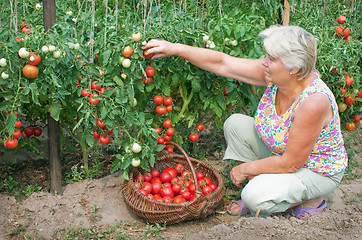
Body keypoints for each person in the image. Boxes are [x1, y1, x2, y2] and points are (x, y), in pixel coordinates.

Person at [142, 25, 348, 218]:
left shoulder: (313, 102)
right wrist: (176, 48)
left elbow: (291, 162)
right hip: (284, 156)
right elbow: (224, 63)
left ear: (294, 68)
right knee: (236, 124)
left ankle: (310, 199)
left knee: (253, 197)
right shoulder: (278, 76)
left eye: (272, 58)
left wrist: (244, 169)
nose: (264, 62)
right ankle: (266, 188)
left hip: (314, 171)